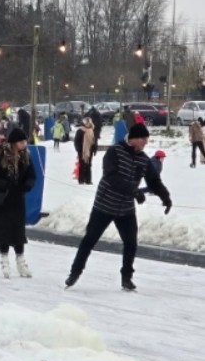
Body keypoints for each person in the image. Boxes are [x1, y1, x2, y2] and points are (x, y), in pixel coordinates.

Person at [65, 124, 171, 291]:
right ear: (134, 139)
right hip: (105, 204)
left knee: (131, 242)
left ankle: (126, 277)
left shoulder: (143, 159)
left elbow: (154, 181)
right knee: (90, 239)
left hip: (125, 208)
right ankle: (75, 272)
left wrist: (165, 197)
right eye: (143, 139)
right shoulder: (115, 151)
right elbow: (111, 176)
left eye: (146, 139)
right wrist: (134, 191)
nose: (145, 142)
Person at [0, 128, 36, 278]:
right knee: (3, 231)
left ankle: (21, 263)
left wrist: (27, 184)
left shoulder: (25, 156)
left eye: (25, 141)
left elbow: (31, 174)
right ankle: (4, 261)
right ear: (14, 143)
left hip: (16, 198)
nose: (24, 144)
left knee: (18, 231)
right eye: (21, 141)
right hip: (1, 199)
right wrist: (4, 184)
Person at [74, 117, 96, 185]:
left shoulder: (92, 131)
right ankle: (81, 179)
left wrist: (94, 149)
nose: (88, 124)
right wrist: (79, 150)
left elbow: (94, 141)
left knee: (89, 165)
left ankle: (88, 180)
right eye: (86, 123)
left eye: (89, 123)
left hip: (90, 151)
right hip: (82, 151)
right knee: (82, 165)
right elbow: (76, 141)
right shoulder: (80, 131)